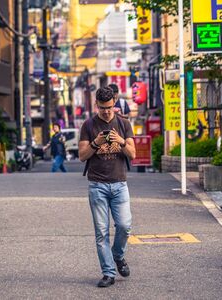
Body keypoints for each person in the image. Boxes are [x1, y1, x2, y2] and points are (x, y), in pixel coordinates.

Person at [79, 87, 136, 288]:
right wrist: (96, 143)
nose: (106, 112)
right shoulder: (88, 125)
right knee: (101, 232)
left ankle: (118, 256)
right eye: (103, 108)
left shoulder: (123, 123)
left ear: (114, 103)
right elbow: (82, 155)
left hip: (120, 184)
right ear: (97, 105)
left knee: (124, 226)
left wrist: (120, 141)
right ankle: (108, 273)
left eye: (110, 107)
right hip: (97, 185)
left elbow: (133, 154)